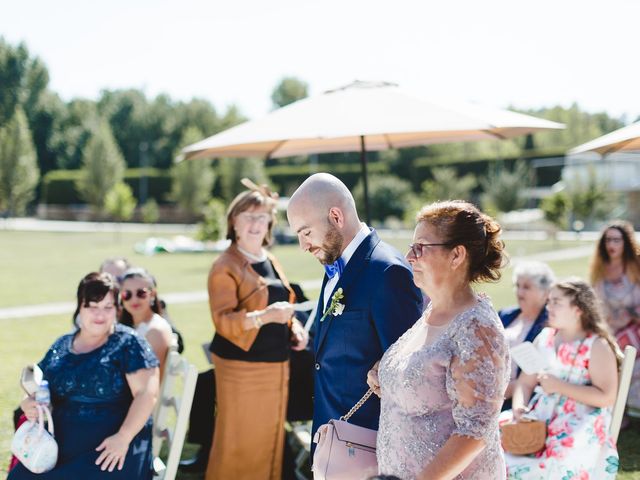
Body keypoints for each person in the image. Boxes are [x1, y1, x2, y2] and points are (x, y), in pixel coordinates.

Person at [367, 200, 509, 479]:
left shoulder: (477, 329)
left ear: (456, 255)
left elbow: (475, 432)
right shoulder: (431, 312)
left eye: (421, 247)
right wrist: (384, 373)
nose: (409, 256)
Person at [286, 173, 423, 439]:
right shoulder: (333, 265)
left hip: (367, 444)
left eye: (306, 233)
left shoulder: (388, 273)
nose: (303, 246)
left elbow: (408, 374)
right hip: (331, 437)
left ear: (336, 217)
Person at [9, 272, 159, 479]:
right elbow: (38, 386)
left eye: (108, 307)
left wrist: (123, 437)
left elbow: (146, 394)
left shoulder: (129, 344)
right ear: (80, 307)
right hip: (60, 442)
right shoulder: (62, 345)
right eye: (92, 306)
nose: (100, 315)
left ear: (117, 309)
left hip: (111, 446)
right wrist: (28, 403)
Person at [205, 179, 309, 480]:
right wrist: (264, 317)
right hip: (241, 370)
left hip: (276, 366)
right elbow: (224, 320)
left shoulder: (270, 259)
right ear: (233, 221)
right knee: (239, 442)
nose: (255, 223)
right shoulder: (224, 265)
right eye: (248, 216)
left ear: (269, 224)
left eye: (261, 217)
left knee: (269, 441)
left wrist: (294, 325)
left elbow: (282, 301)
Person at [501, 278, 621, 479]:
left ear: (578, 309)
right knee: (488, 439)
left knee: (556, 462)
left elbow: (607, 397)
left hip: (579, 420)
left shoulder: (596, 345)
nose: (549, 308)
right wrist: (519, 408)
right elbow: (525, 383)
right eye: (549, 302)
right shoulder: (545, 337)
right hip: (540, 415)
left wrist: (559, 386)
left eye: (556, 302)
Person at [591, 220, 640, 411]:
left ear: (626, 242)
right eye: (608, 240)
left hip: (635, 326)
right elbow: (596, 305)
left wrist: (630, 315)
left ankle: (625, 405)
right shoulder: (599, 268)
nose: (611, 245)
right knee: (602, 350)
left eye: (617, 240)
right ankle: (615, 408)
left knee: (619, 351)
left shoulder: (636, 266)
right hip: (611, 328)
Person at [499, 261, 555, 408]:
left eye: (527, 287)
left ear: (545, 292)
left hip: (520, 399)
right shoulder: (505, 315)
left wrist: (501, 392)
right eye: (517, 286)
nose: (520, 292)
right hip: (491, 387)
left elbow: (540, 374)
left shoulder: (550, 324)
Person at [119, 267, 174, 378]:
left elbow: (150, 381)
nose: (134, 300)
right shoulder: (134, 326)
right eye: (127, 294)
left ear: (152, 294)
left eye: (141, 293)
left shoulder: (155, 331)